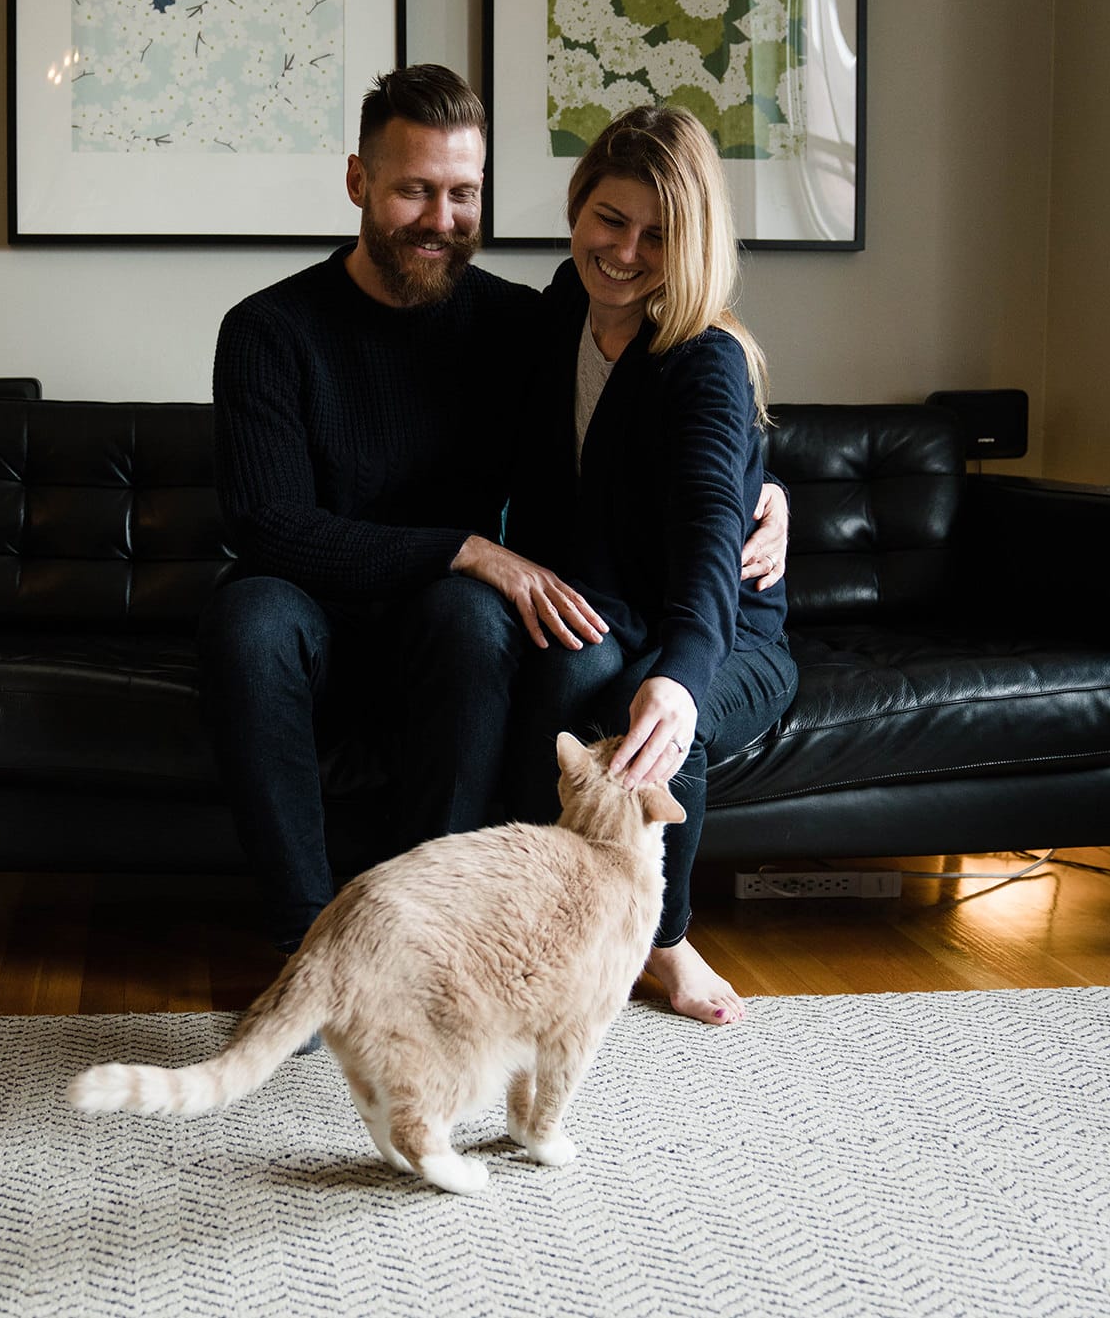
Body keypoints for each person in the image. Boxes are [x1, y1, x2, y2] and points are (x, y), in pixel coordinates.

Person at [201, 65, 790, 956]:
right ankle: (305, 940)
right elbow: (264, 524)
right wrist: (469, 547)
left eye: (463, 194)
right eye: (414, 190)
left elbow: (693, 428)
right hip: (317, 622)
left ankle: (424, 929)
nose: (441, 219)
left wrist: (769, 495)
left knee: (475, 614)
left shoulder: (518, 322)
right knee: (247, 614)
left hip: (451, 628)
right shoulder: (267, 331)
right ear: (359, 181)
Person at [503, 105, 798, 1027]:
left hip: (729, 634)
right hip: (617, 607)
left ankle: (664, 939)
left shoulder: (706, 360)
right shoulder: (559, 310)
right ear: (577, 206)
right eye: (610, 218)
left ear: (692, 240)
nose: (625, 251)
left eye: (658, 235)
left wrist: (680, 676)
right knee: (569, 677)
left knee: (661, 718)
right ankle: (529, 918)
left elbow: (711, 531)